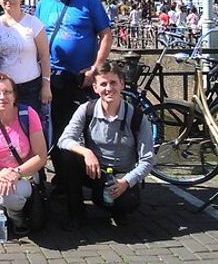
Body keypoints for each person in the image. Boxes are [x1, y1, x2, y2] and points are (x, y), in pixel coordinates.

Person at [35, 0, 111, 182]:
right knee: (57, 130)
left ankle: (88, 177)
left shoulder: (88, 1)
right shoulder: (44, 4)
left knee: (84, 129)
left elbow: (105, 34)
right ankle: (63, 179)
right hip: (53, 77)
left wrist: (96, 69)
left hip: (82, 78)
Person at [57, 62, 154, 230]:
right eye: (103, 84)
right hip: (94, 170)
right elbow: (64, 139)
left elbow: (147, 160)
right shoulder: (86, 109)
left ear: (122, 84)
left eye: (113, 83)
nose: (109, 88)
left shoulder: (137, 117)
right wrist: (86, 152)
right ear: (95, 88)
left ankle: (115, 207)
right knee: (65, 155)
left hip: (120, 175)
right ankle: (76, 212)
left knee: (128, 202)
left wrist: (126, 181)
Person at [0, 73, 47, 239]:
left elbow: (41, 156)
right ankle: (5, 209)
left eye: (7, 92)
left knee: (9, 195)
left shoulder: (28, 115)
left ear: (14, 95)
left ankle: (17, 219)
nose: (2, 97)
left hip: (23, 176)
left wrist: (15, 173)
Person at [0, 0, 51, 113]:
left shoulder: (33, 23)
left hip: (29, 89)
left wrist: (46, 85)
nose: (9, 0)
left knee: (28, 128)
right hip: (3, 90)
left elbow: (45, 56)